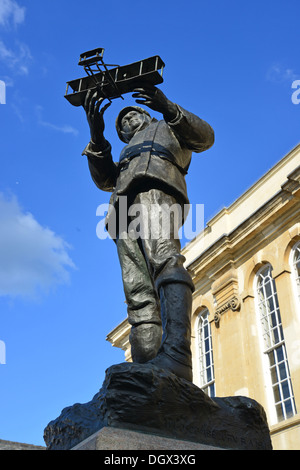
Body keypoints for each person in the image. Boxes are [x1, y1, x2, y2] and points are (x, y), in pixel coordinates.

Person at [82, 86, 214, 381]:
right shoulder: (126, 157)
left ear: (145, 113)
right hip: (122, 211)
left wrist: (167, 105)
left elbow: (206, 137)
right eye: (122, 125)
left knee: (166, 263)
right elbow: (105, 179)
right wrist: (96, 134)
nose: (127, 122)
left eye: (131, 116)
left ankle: (177, 355)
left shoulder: (169, 128)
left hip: (157, 190)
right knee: (137, 290)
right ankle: (147, 362)